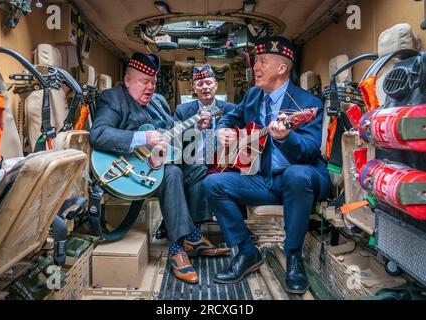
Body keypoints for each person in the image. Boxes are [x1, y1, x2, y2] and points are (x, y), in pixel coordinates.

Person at [203, 36, 332, 293]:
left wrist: (286, 137)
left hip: (303, 178)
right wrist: (223, 130)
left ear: (282, 69)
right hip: (266, 179)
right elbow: (231, 116)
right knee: (212, 183)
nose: (256, 68)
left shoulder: (307, 104)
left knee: (296, 174)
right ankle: (247, 252)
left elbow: (308, 152)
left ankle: (293, 255)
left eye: (262, 61)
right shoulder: (253, 96)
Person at [90, 52, 229, 284]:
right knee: (172, 172)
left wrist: (197, 126)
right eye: (144, 82)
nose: (150, 88)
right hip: (130, 171)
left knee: (197, 166)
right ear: (128, 80)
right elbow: (99, 134)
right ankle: (177, 248)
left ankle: (193, 236)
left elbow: (172, 130)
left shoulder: (159, 101)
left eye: (153, 82)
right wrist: (144, 137)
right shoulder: (113, 98)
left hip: (160, 162)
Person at [154, 64, 236, 243]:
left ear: (216, 85)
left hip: (223, 161)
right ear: (194, 88)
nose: (205, 87)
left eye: (208, 83)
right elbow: (173, 141)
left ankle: (235, 227)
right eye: (200, 84)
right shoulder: (182, 111)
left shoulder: (230, 108)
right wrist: (196, 129)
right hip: (191, 160)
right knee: (198, 169)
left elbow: (240, 134)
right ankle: (194, 231)